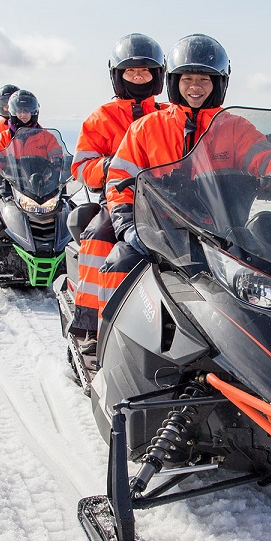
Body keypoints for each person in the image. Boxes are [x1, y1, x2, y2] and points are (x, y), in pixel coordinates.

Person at [97, 33, 271, 317]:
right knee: (119, 263)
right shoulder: (146, 129)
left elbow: (262, 155)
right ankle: (104, 342)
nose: (195, 87)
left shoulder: (233, 127)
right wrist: (129, 225)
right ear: (175, 82)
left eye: (205, 79)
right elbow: (118, 179)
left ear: (219, 83)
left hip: (224, 236)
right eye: (188, 79)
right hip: (162, 235)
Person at [67, 33, 166, 348]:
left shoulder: (166, 115)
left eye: (145, 71)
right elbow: (81, 168)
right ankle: (91, 325)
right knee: (98, 238)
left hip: (167, 201)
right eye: (131, 72)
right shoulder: (101, 118)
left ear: (158, 75)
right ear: (118, 76)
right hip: (117, 200)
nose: (138, 77)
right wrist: (108, 166)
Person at [0, 89, 66, 196]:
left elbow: (58, 156)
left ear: (34, 112)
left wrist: (59, 164)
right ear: (12, 112)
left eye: (27, 111)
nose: (23, 115)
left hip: (42, 188)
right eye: (19, 111)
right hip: (10, 190)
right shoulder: (2, 138)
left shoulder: (47, 137)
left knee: (67, 207)